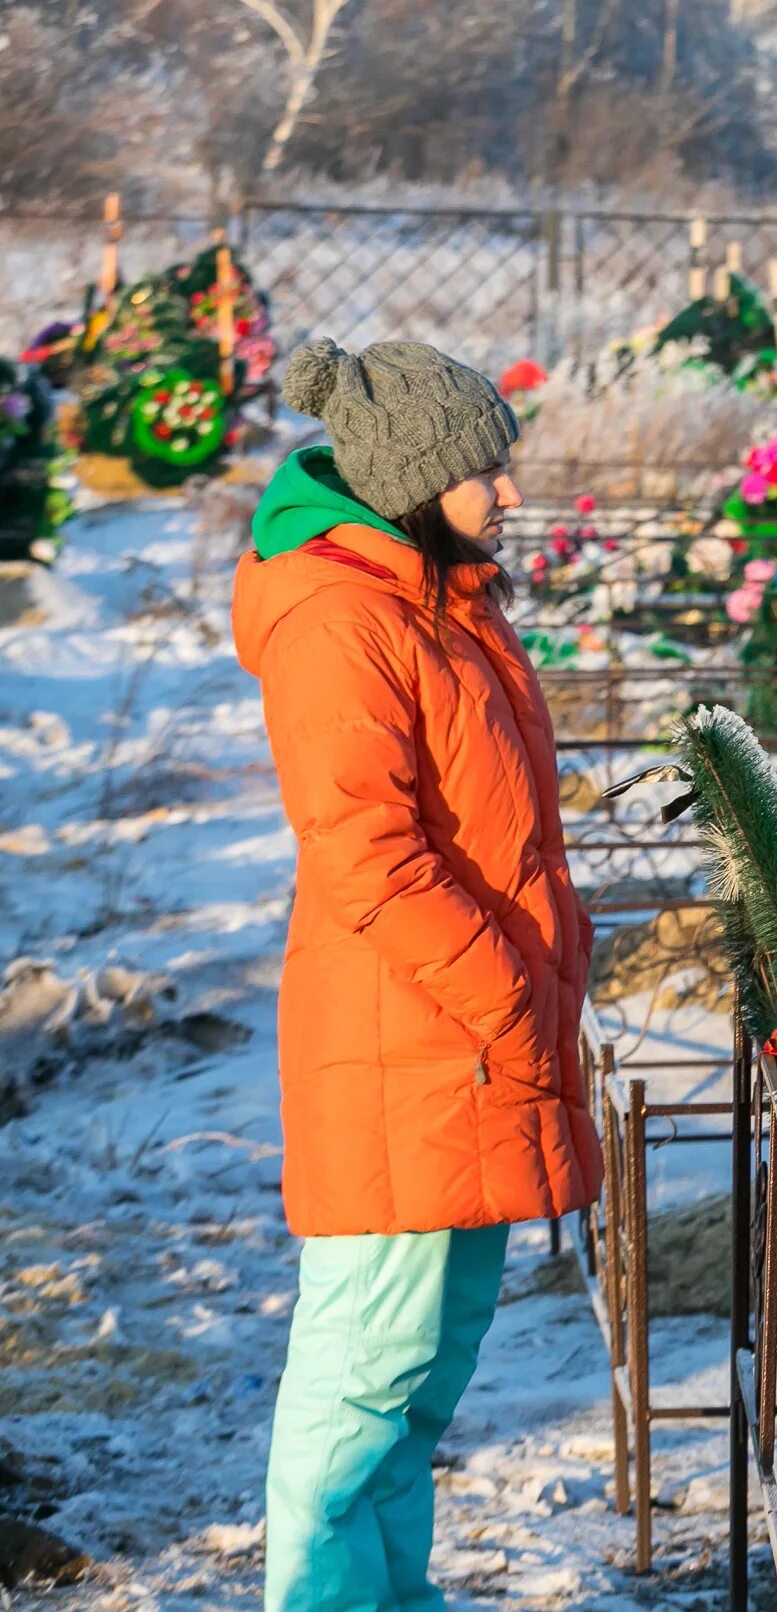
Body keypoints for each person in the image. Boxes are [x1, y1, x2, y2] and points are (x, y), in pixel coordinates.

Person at [232, 338, 600, 1612]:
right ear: (413, 478)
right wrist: (511, 996)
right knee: (358, 1388)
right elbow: (368, 858)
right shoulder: (343, 620)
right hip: (416, 1043)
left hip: (464, 1040)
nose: (508, 493)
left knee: (415, 1388)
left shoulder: (437, 596)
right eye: (487, 471)